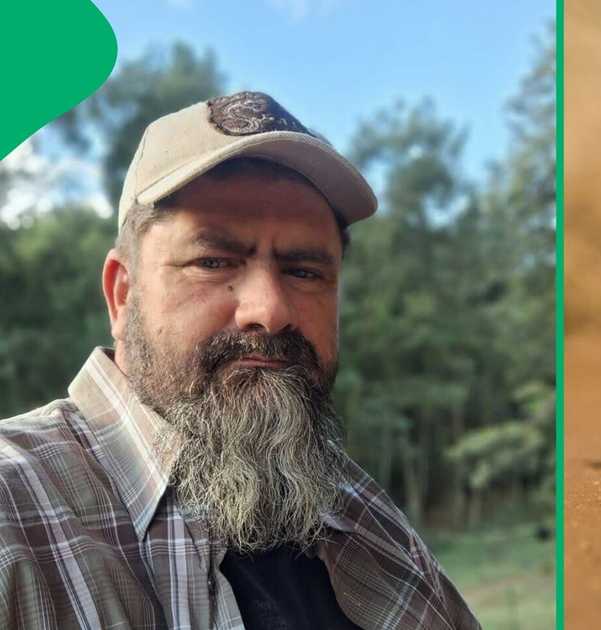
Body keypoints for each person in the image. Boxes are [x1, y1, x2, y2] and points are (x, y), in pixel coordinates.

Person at [0, 91, 480, 630]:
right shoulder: (14, 517)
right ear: (121, 294)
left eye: (304, 271)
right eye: (212, 261)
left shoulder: (371, 525)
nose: (270, 312)